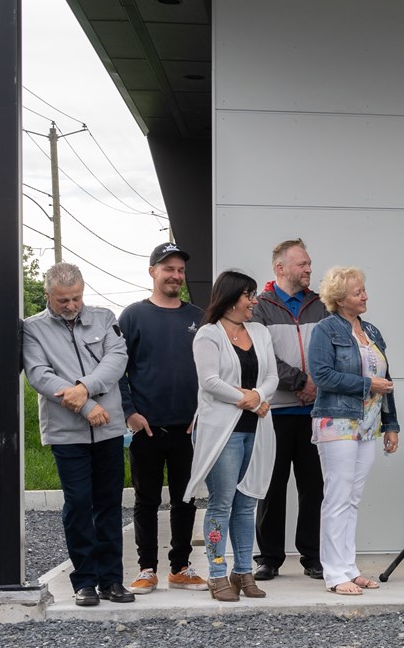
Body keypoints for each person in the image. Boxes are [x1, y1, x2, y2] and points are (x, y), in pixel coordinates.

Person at [23, 263, 133, 607]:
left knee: (109, 505)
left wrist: (85, 387)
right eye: (63, 300)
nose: (71, 305)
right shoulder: (32, 329)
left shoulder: (103, 318)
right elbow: (40, 375)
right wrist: (86, 406)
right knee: (79, 506)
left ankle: (112, 580)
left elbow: (117, 359)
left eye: (76, 297)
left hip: (109, 428)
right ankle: (84, 580)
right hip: (67, 432)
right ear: (48, 296)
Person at [117, 242, 207, 593]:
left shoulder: (198, 317)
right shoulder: (133, 316)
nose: (175, 275)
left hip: (188, 426)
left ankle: (181, 567)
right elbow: (117, 370)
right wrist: (130, 413)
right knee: (146, 500)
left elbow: (210, 370)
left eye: (180, 270)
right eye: (168, 268)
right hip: (147, 429)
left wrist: (201, 413)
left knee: (185, 499)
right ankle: (147, 568)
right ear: (152, 271)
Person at [186, 271, 279, 602]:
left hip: (255, 429)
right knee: (221, 503)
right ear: (229, 298)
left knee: (247, 503)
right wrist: (248, 399)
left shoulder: (259, 332)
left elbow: (271, 375)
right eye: (248, 295)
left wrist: (257, 396)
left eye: (254, 295)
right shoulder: (208, 335)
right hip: (223, 432)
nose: (254, 301)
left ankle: (243, 571)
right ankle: (216, 573)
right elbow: (209, 380)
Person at [307, 266, 399, 595]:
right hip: (336, 421)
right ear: (339, 298)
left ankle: (349, 566)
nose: (365, 295)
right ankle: (334, 573)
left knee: (353, 499)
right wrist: (366, 383)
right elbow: (322, 376)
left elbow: (387, 382)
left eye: (364, 289)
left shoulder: (372, 330)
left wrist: (391, 424)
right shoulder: (325, 330)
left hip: (369, 425)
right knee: (337, 497)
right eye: (357, 291)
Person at [250, 239, 328, 582]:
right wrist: (300, 382)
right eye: (302, 264)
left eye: (309, 264)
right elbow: (261, 357)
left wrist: (316, 384)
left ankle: (313, 556)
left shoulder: (321, 305)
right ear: (280, 268)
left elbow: (331, 349)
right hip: (275, 413)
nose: (309, 269)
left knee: (314, 488)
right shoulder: (260, 306)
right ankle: (269, 558)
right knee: (272, 488)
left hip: (315, 414)